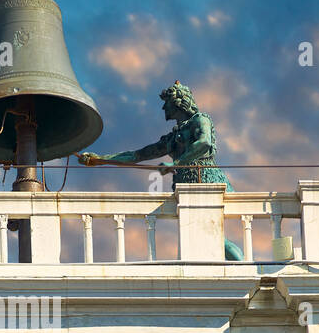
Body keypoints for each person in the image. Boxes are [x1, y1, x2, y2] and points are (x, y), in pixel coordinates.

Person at [78, 80, 242, 260]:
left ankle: (243, 267)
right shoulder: (172, 137)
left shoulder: (200, 120)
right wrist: (100, 160)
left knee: (214, 236)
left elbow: (204, 143)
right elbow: (138, 155)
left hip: (205, 181)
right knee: (207, 237)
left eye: (167, 103)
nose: (164, 107)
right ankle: (239, 267)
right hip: (186, 187)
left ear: (178, 102)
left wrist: (175, 163)